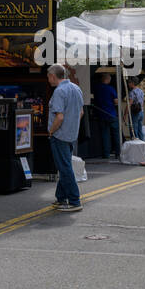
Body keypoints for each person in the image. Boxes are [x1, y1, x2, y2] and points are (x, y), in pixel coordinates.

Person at [47, 63, 85, 211]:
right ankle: (61, 198)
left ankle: (74, 201)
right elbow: (81, 112)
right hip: (71, 134)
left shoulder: (59, 91)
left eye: (48, 77)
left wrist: (51, 131)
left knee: (65, 168)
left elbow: (59, 117)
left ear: (53, 76)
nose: (48, 80)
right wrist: (72, 126)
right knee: (64, 166)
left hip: (60, 135)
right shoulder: (76, 88)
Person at [91, 71, 120, 161]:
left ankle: (106, 154)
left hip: (101, 114)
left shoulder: (96, 88)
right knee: (116, 134)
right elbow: (116, 102)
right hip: (111, 114)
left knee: (105, 135)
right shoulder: (111, 89)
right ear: (107, 80)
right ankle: (118, 153)